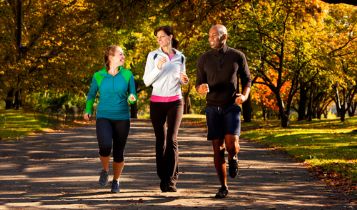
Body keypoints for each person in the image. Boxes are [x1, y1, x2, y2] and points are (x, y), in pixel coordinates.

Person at [196, 24, 251, 198]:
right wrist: (201, 89)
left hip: (231, 106)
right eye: (209, 35)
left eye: (213, 35)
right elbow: (198, 84)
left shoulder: (237, 56)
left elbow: (247, 79)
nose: (210, 38)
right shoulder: (203, 59)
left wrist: (245, 96)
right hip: (212, 107)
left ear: (224, 37)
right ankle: (223, 186)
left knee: (230, 144)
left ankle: (233, 157)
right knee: (217, 149)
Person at [84, 45, 137, 193]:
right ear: (110, 57)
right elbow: (91, 95)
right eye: (120, 54)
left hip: (122, 117)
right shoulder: (98, 76)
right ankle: (105, 170)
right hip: (104, 116)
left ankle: (116, 181)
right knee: (105, 146)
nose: (123, 57)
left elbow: (132, 94)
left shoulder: (127, 75)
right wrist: (88, 109)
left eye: (123, 54)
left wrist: (132, 99)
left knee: (119, 152)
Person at [143, 26, 189, 192]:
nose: (159, 39)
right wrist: (158, 68)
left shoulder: (181, 57)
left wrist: (184, 80)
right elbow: (147, 81)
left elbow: (181, 78)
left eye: (162, 36)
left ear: (170, 37)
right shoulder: (153, 55)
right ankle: (162, 177)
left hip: (175, 101)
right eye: (157, 37)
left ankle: (170, 180)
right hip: (157, 102)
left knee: (172, 139)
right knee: (160, 140)